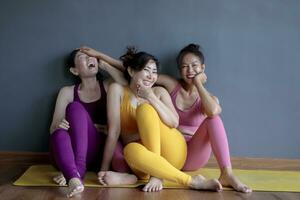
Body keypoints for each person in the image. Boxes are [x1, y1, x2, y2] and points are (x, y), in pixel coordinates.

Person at [81, 44, 252, 193]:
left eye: (154, 71)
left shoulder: (161, 92)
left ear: (203, 68)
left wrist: (152, 97)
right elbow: (130, 70)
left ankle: (160, 174)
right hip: (152, 154)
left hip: (178, 150)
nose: (190, 70)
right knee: (129, 151)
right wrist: (102, 58)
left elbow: (178, 121)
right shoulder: (166, 84)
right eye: (185, 66)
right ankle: (185, 180)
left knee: (146, 109)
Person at [49, 49, 126, 197]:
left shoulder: (109, 86)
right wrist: (60, 126)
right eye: (83, 57)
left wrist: (106, 65)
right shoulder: (67, 92)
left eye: (92, 57)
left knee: (75, 108)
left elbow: (127, 80)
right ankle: (74, 177)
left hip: (96, 151)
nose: (90, 59)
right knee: (60, 132)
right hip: (67, 153)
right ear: (74, 70)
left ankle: (75, 172)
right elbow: (53, 128)